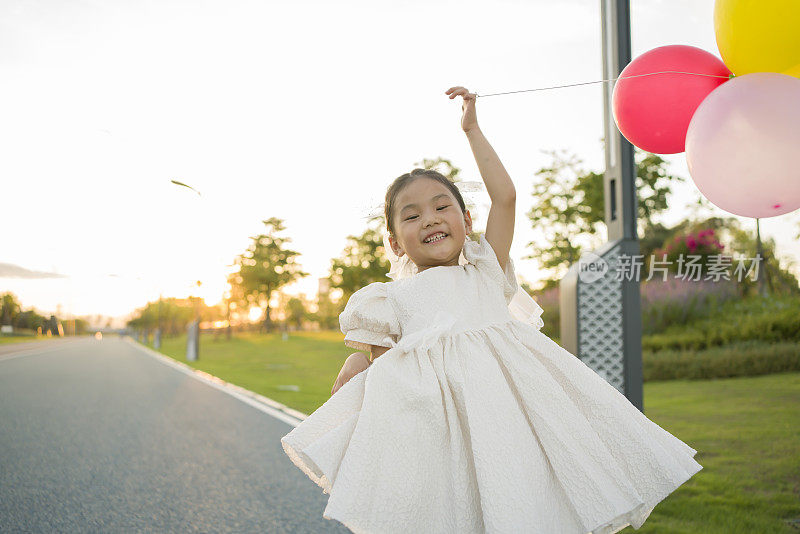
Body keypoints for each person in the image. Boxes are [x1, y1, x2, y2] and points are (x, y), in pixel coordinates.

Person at [281, 86, 702, 534]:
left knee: (521, 501)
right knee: (461, 511)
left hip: (510, 413)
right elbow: (388, 382)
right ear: (393, 242)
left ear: (465, 221)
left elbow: (505, 198)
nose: (429, 218)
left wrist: (473, 130)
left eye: (442, 207)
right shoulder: (388, 302)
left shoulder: (484, 270)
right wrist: (356, 360)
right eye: (412, 215)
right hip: (443, 432)